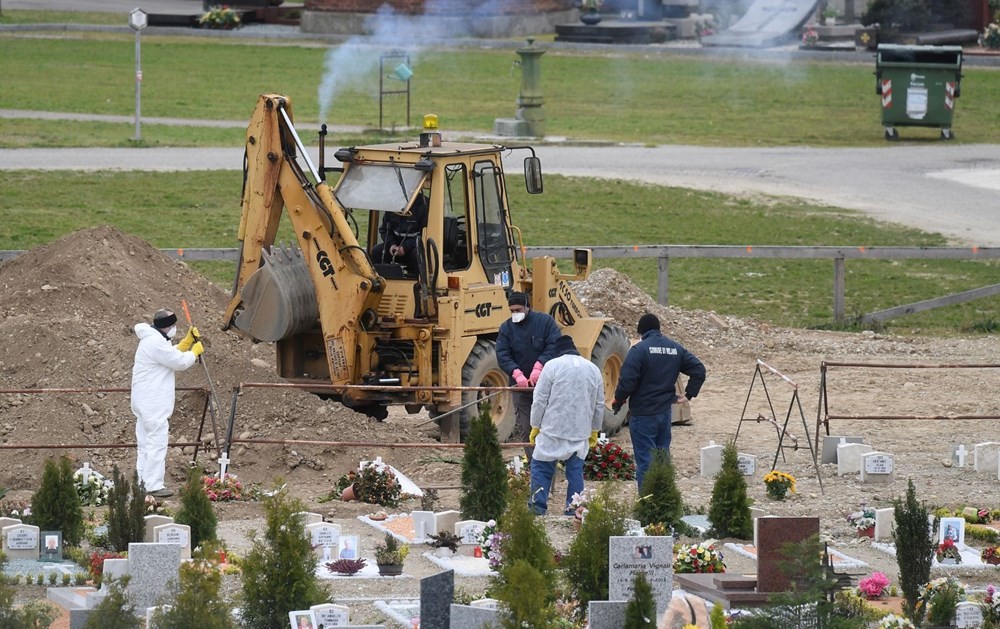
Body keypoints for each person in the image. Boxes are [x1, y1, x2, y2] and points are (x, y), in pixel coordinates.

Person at [612, 313, 706, 490]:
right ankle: (665, 499)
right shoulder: (674, 348)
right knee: (662, 458)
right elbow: (699, 370)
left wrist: (618, 400)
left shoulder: (639, 350)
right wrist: (688, 394)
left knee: (646, 461)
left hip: (643, 414)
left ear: (641, 331)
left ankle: (648, 504)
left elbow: (627, 381)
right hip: (664, 414)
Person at [130, 309, 204, 498]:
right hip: (152, 402)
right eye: (173, 326)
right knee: (156, 443)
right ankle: (153, 485)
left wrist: (186, 343)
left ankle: (142, 483)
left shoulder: (153, 339)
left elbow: (169, 354)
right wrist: (194, 352)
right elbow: (178, 362)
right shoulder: (155, 342)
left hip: (144, 401)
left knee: (146, 444)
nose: (174, 329)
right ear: (167, 327)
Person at [527, 335, 603, 516]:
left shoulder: (552, 366)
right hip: (579, 430)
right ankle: (574, 511)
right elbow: (599, 404)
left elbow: (540, 399)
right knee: (575, 472)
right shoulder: (593, 369)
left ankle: (537, 510)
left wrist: (535, 425)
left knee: (541, 467)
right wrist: (595, 429)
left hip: (552, 429)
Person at [496, 291, 561, 459]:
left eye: (518, 309)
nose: (515, 313)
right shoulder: (506, 328)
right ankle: (534, 463)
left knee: (548, 425)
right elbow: (502, 354)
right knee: (526, 427)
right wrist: (516, 373)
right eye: (512, 310)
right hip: (521, 387)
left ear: (527, 307)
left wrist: (540, 366)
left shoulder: (545, 322)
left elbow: (554, 345)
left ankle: (551, 461)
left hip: (545, 385)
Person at [372, 192, 429, 276]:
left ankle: (416, 281)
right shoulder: (392, 204)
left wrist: (405, 247)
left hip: (414, 247)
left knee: (418, 255)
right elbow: (384, 229)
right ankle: (380, 278)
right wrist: (392, 244)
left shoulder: (424, 205)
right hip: (396, 247)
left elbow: (426, 234)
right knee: (376, 251)